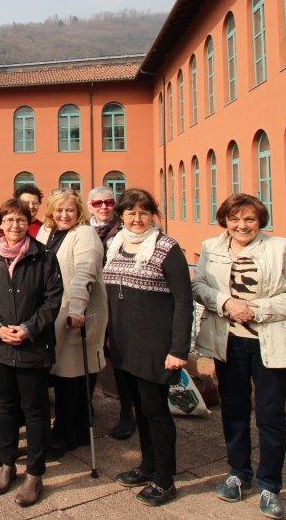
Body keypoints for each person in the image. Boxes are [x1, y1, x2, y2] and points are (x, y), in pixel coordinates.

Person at [193, 194, 286, 519]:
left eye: (249, 219)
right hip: (229, 342)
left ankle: (270, 485)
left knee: (270, 415)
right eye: (235, 219)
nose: (241, 225)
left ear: (260, 220)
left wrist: (256, 309)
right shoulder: (211, 247)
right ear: (225, 220)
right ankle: (238, 473)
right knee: (233, 410)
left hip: (272, 344)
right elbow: (198, 286)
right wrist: (225, 302)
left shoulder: (282, 248)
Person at [103, 189, 192, 507]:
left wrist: (179, 348)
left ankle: (165, 480)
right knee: (139, 410)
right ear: (122, 216)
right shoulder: (115, 244)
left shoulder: (167, 248)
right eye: (130, 213)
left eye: (143, 212)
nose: (136, 219)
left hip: (155, 347)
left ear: (153, 214)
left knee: (156, 412)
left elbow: (184, 300)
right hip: (124, 344)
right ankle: (148, 465)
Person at [0, 199, 64, 506]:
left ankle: (34, 474)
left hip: (33, 347)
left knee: (36, 410)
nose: (15, 225)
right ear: (1, 224)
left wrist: (27, 328)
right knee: (4, 405)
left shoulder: (44, 257)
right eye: (9, 220)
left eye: (21, 220)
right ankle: (7, 462)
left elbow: (53, 301)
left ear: (29, 223)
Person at [35, 189, 107, 459]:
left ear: (79, 212)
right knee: (64, 374)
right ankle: (70, 428)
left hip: (77, 316)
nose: (64, 215)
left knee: (71, 376)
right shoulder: (46, 232)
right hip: (55, 313)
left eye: (70, 210)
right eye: (59, 210)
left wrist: (76, 309)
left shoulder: (84, 234)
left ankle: (65, 434)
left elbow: (84, 274)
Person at [87, 185, 135, 441]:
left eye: (108, 202)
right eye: (98, 203)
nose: (104, 207)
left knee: (120, 358)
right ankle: (88, 406)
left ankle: (128, 412)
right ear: (90, 207)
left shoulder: (126, 230)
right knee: (92, 353)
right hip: (93, 302)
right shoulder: (83, 230)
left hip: (119, 303)